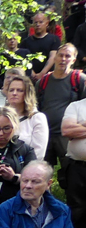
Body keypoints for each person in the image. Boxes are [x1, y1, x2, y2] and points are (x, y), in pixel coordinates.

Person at [37, 43, 85, 189]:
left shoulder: (80, 79)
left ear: (74, 59)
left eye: (67, 56)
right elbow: (35, 106)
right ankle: (43, 203)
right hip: (45, 134)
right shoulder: (42, 81)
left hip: (68, 136)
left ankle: (69, 205)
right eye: (60, 55)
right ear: (55, 57)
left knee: (69, 175)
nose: (63, 59)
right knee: (42, 173)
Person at [62, 87, 86, 228]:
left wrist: (81, 127)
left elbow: (74, 130)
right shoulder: (76, 106)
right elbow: (66, 130)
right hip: (78, 167)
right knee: (77, 207)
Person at [5, 72, 49, 159]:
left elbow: (38, 153)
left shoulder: (37, 118)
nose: (14, 93)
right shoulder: (1, 115)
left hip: (26, 168)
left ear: (27, 93)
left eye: (19, 90)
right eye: (11, 90)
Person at [22, 11, 62, 81]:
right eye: (36, 23)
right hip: (30, 78)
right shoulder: (26, 41)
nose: (38, 25)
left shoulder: (54, 39)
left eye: (41, 22)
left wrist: (42, 74)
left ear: (47, 23)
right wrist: (32, 73)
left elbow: (52, 57)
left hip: (49, 77)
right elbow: (23, 59)